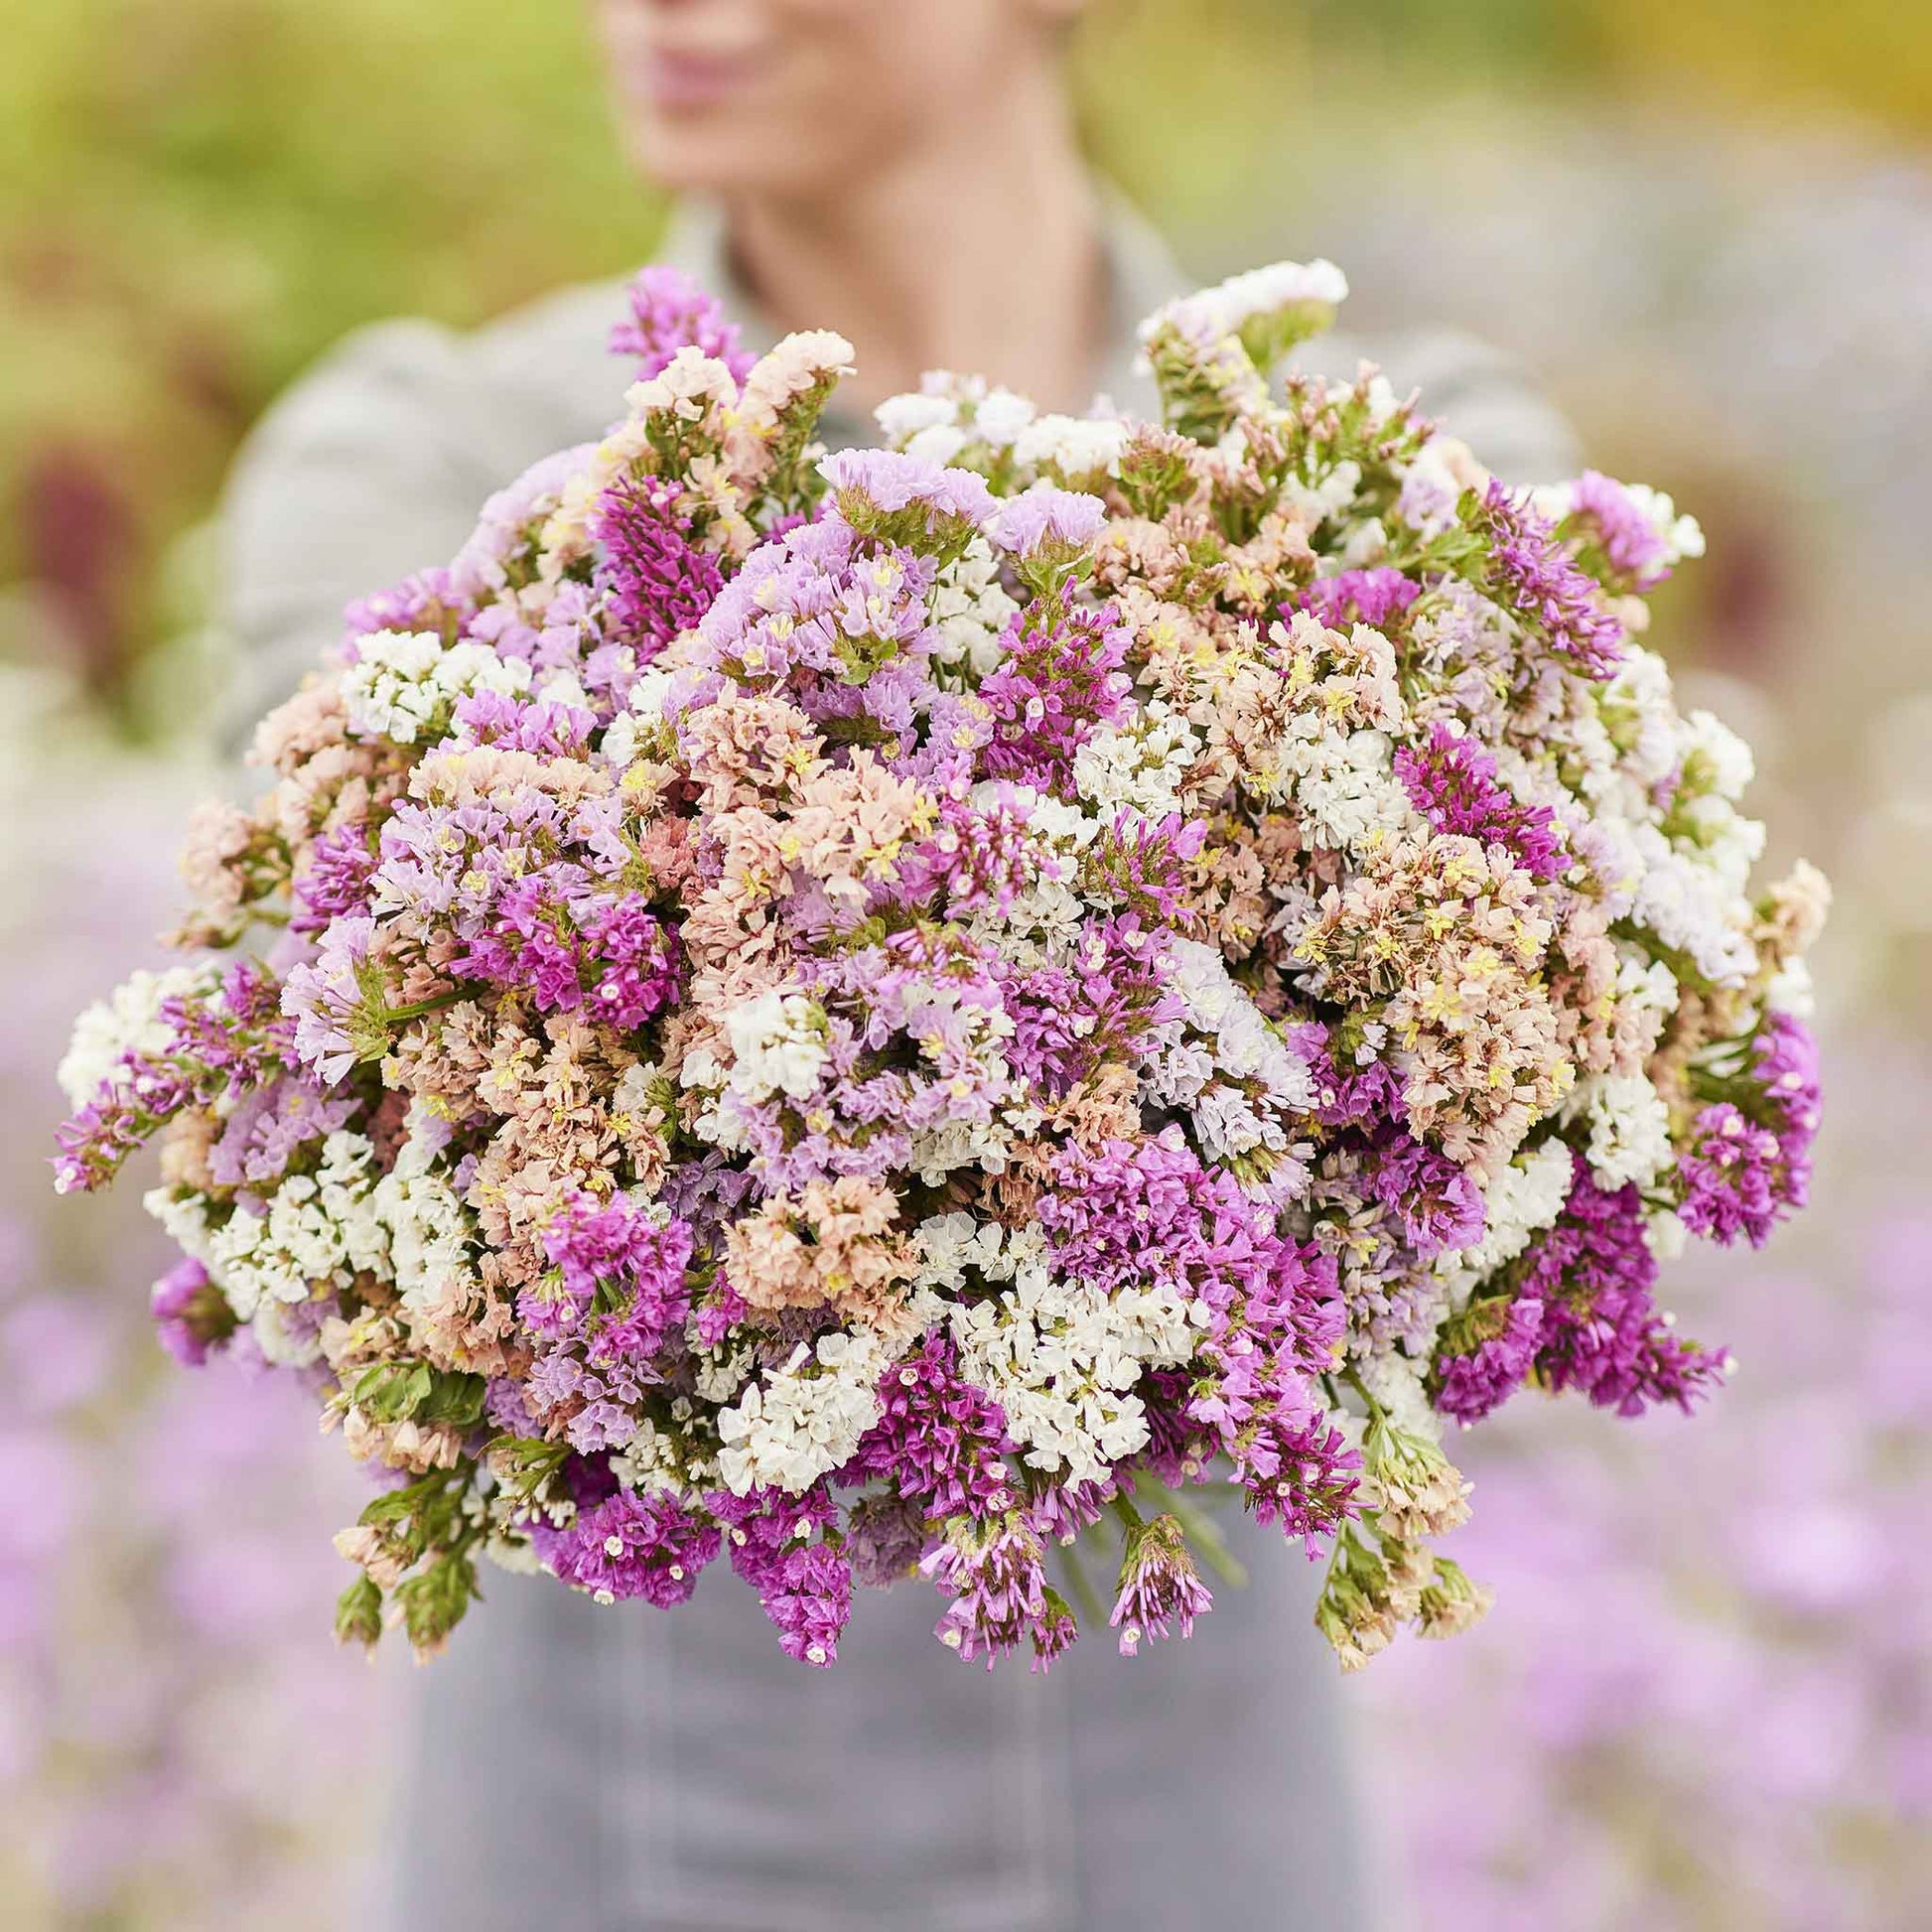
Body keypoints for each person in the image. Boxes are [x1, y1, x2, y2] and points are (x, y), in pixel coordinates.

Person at [219, 5, 1577, 1926]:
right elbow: (355, 975)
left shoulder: (1405, 465)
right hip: (610, 1808)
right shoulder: (431, 457)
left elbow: (1523, 1077)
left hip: (1188, 1810)